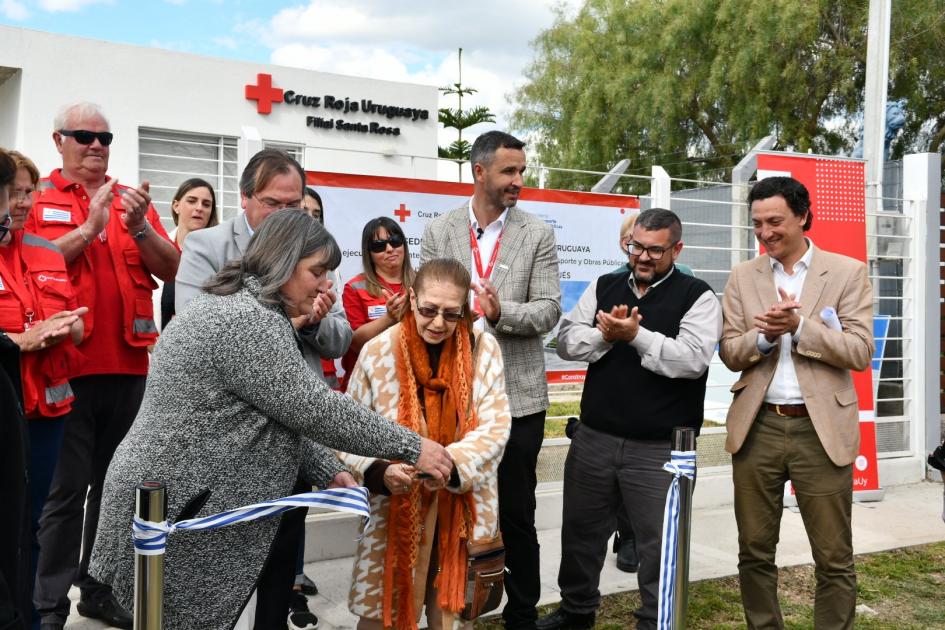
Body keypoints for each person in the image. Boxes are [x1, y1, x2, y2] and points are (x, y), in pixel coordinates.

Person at [88, 209, 453, 630]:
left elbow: (276, 415)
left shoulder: (247, 307)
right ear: (282, 261)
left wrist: (328, 469)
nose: (325, 284)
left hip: (181, 497)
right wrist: (415, 446)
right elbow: (315, 408)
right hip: (182, 502)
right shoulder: (248, 321)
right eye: (317, 271)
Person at [175, 149, 351, 630]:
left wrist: (314, 325)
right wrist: (288, 319)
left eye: (296, 205)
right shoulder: (208, 246)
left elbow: (340, 336)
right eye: (276, 204)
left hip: (294, 432)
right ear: (246, 198)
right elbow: (196, 326)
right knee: (219, 566)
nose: (288, 215)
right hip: (229, 437)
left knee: (281, 556)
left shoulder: (315, 250)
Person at [26, 102, 179, 630]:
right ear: (58, 140)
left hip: (129, 369)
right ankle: (47, 605)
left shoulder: (129, 200)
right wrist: (91, 227)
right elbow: (30, 262)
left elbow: (172, 267)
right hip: (66, 370)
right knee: (64, 492)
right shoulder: (37, 200)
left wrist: (139, 228)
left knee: (115, 490)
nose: (95, 146)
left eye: (104, 137)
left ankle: (96, 587)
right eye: (83, 136)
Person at [538, 208, 721, 630]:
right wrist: (604, 335)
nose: (642, 257)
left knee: (660, 545)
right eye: (636, 246)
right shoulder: (605, 285)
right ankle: (576, 610)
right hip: (595, 438)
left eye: (654, 250)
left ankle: (655, 620)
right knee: (581, 533)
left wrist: (635, 336)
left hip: (660, 447)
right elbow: (566, 340)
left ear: (677, 249)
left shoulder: (697, 295)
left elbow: (691, 360)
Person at [421, 130, 561, 630]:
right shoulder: (440, 231)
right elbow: (427, 301)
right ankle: (449, 607)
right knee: (448, 507)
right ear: (479, 172)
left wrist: (503, 313)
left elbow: (549, 309)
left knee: (517, 512)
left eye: (522, 171)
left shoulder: (537, 234)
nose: (518, 180)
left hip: (517, 398)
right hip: (452, 394)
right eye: (508, 171)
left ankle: (521, 615)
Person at [719, 176, 873, 630]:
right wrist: (765, 336)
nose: (765, 233)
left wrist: (801, 328)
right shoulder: (743, 277)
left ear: (804, 216)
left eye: (775, 221)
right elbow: (730, 352)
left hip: (820, 431)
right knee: (754, 550)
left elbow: (860, 352)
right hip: (758, 428)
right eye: (757, 224)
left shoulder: (847, 272)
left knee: (833, 556)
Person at [341, 257, 511, 630]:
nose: (438, 323)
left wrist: (448, 465)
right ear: (412, 297)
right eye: (429, 309)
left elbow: (496, 428)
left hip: (460, 511)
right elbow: (347, 430)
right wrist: (379, 470)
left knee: (448, 617)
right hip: (395, 510)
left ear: (465, 309)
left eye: (451, 314)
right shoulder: (378, 351)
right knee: (380, 618)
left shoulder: (484, 348)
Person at [0, 149, 88, 630]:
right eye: (13, 191)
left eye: (29, 191)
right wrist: (23, 340)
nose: (22, 201)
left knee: (34, 522)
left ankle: (29, 617)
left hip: (48, 414)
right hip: (6, 406)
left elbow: (73, 327)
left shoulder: (48, 251)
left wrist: (68, 327)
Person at [340, 217, 414, 391]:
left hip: (411, 381)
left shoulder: (422, 283)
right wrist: (389, 318)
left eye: (395, 241)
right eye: (379, 246)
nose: (389, 249)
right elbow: (354, 342)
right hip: (368, 383)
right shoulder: (355, 287)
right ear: (369, 253)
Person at [159, 178, 219, 329]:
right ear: (176, 206)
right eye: (192, 201)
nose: (199, 208)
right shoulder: (157, 248)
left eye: (206, 204)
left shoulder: (219, 255)